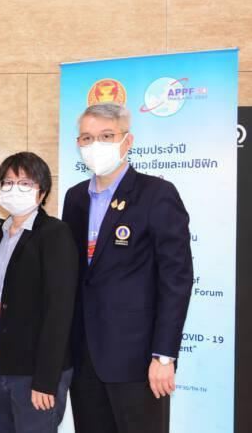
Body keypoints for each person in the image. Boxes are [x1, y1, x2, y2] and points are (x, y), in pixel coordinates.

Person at [62, 103, 194, 433]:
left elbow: (176, 280)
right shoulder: (75, 198)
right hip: (85, 358)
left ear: (127, 141)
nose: (95, 144)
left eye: (106, 136)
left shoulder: (156, 194)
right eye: (87, 138)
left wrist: (164, 355)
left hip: (138, 360)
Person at [0, 152, 78, 433]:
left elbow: (59, 311)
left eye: (25, 183)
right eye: (7, 182)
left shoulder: (54, 234)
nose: (14, 189)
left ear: (41, 191)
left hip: (35, 371)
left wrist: (46, 380)